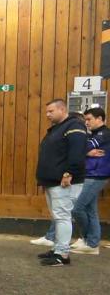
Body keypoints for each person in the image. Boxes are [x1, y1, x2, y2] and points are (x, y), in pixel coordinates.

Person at [32, 108, 110, 254]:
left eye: (89, 119)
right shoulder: (92, 133)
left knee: (76, 209)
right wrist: (85, 152)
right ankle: (89, 241)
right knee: (88, 209)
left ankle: (89, 241)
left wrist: (82, 150)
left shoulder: (103, 133)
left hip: (96, 175)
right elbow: (78, 148)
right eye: (85, 120)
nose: (86, 123)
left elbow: (78, 147)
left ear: (99, 119)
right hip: (88, 174)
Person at [35, 98, 88, 266]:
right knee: (57, 217)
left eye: (51, 111)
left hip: (64, 181)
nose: (47, 114)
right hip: (52, 181)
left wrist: (68, 173)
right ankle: (58, 249)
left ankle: (62, 255)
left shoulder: (74, 126)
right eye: (46, 111)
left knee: (63, 216)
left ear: (62, 109)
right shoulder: (58, 129)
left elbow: (77, 152)